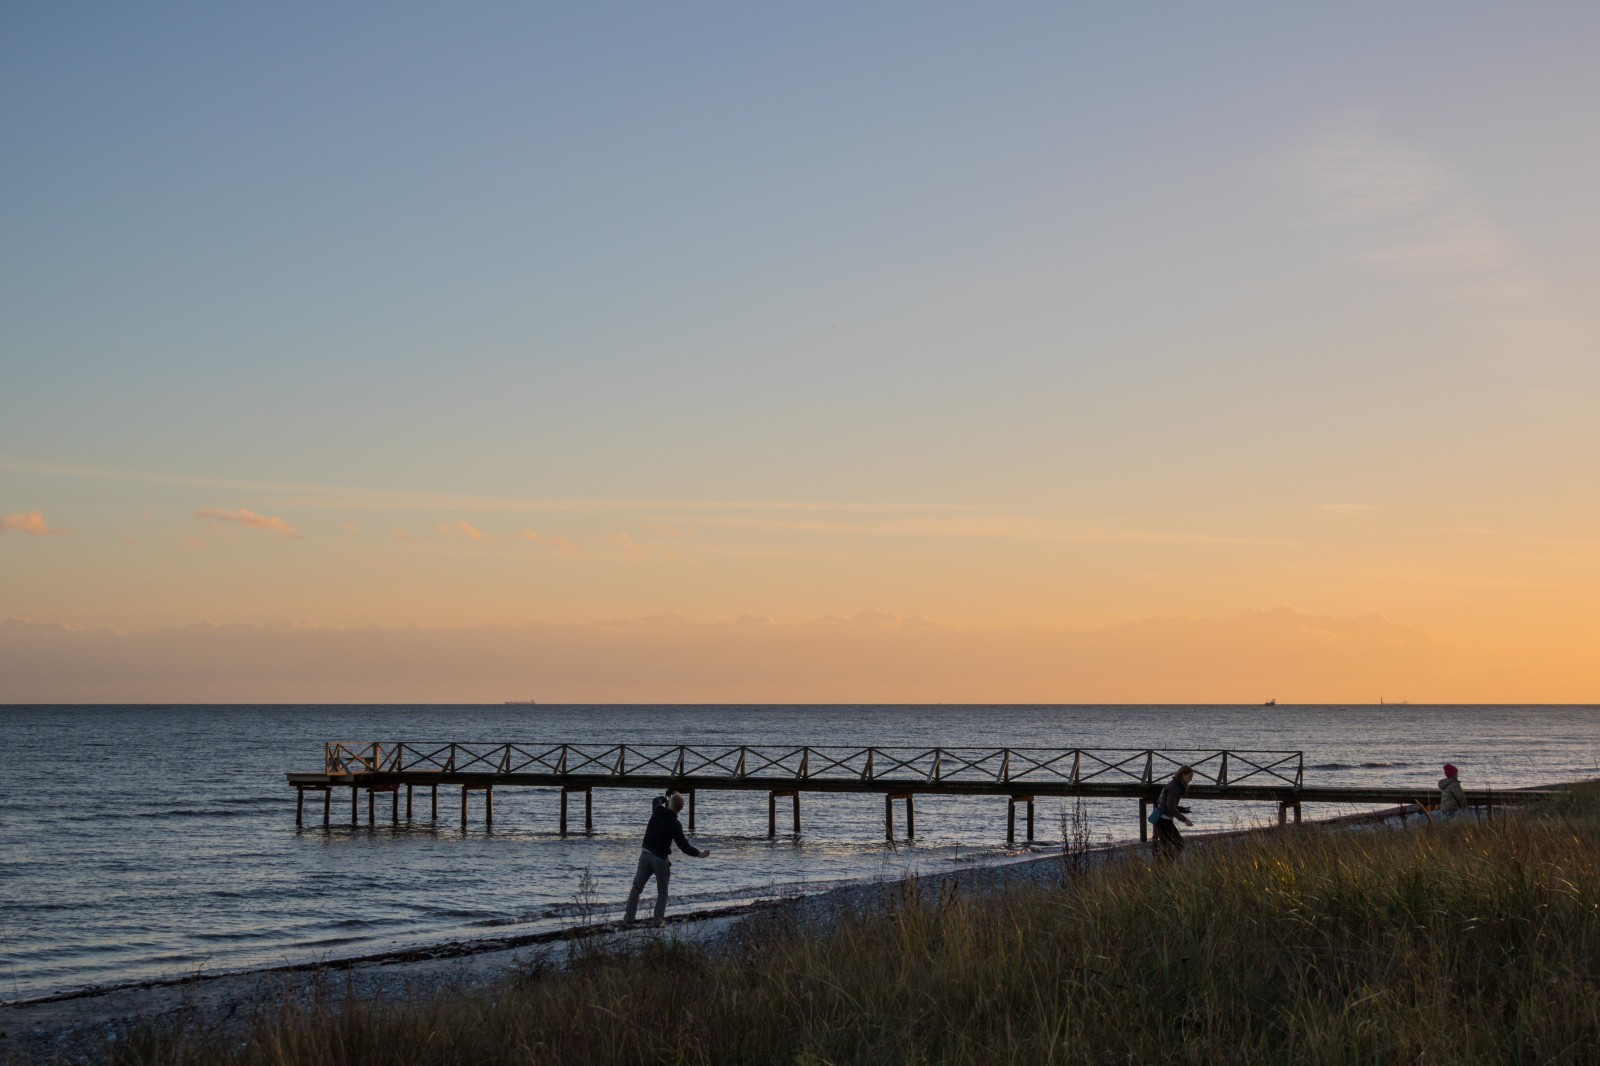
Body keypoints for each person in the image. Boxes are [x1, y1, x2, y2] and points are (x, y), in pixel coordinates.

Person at [624, 790, 710, 927]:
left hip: (646, 854)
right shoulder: (675, 824)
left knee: (636, 888)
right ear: (680, 809)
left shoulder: (657, 810)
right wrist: (699, 854)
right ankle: (657, 921)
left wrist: (665, 798)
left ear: (669, 804)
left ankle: (628, 919)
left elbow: (655, 800)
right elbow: (683, 846)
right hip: (660, 859)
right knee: (662, 892)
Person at [1152, 765, 1195, 860]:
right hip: (1164, 820)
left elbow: (1167, 803)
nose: (1190, 779)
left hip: (1162, 819)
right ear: (1183, 775)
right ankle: (1165, 865)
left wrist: (1181, 809)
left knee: (1165, 846)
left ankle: (1162, 867)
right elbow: (1170, 808)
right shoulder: (1174, 787)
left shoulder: (1174, 785)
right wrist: (1185, 820)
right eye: (1189, 777)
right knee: (1179, 844)